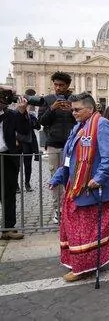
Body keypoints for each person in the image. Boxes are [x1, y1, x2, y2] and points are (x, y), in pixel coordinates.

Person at [49, 93, 109, 282]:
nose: (74, 113)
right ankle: (81, 261)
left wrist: (99, 178)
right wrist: (57, 177)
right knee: (74, 227)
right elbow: (68, 157)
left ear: (90, 108)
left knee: (85, 231)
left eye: (77, 110)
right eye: (72, 109)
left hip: (92, 188)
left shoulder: (102, 124)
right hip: (77, 186)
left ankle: (85, 267)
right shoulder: (78, 127)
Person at [38, 71, 76, 223]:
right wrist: (52, 108)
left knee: (72, 176)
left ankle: (71, 206)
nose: (58, 88)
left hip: (72, 145)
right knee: (56, 178)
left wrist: (72, 111)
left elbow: (81, 120)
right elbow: (41, 121)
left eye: (61, 85)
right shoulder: (47, 100)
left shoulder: (74, 100)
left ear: (67, 86)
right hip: (54, 144)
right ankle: (58, 209)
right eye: (56, 85)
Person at [0, 86, 30, 240]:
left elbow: (24, 130)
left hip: (8, 157)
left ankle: (8, 228)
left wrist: (23, 112)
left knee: (9, 194)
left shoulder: (11, 115)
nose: (5, 99)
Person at [16, 98, 41, 193]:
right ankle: (16, 185)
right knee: (16, 165)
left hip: (28, 143)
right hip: (17, 143)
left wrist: (33, 121)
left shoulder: (30, 116)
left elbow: (38, 127)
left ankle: (27, 183)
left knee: (28, 165)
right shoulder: (14, 114)